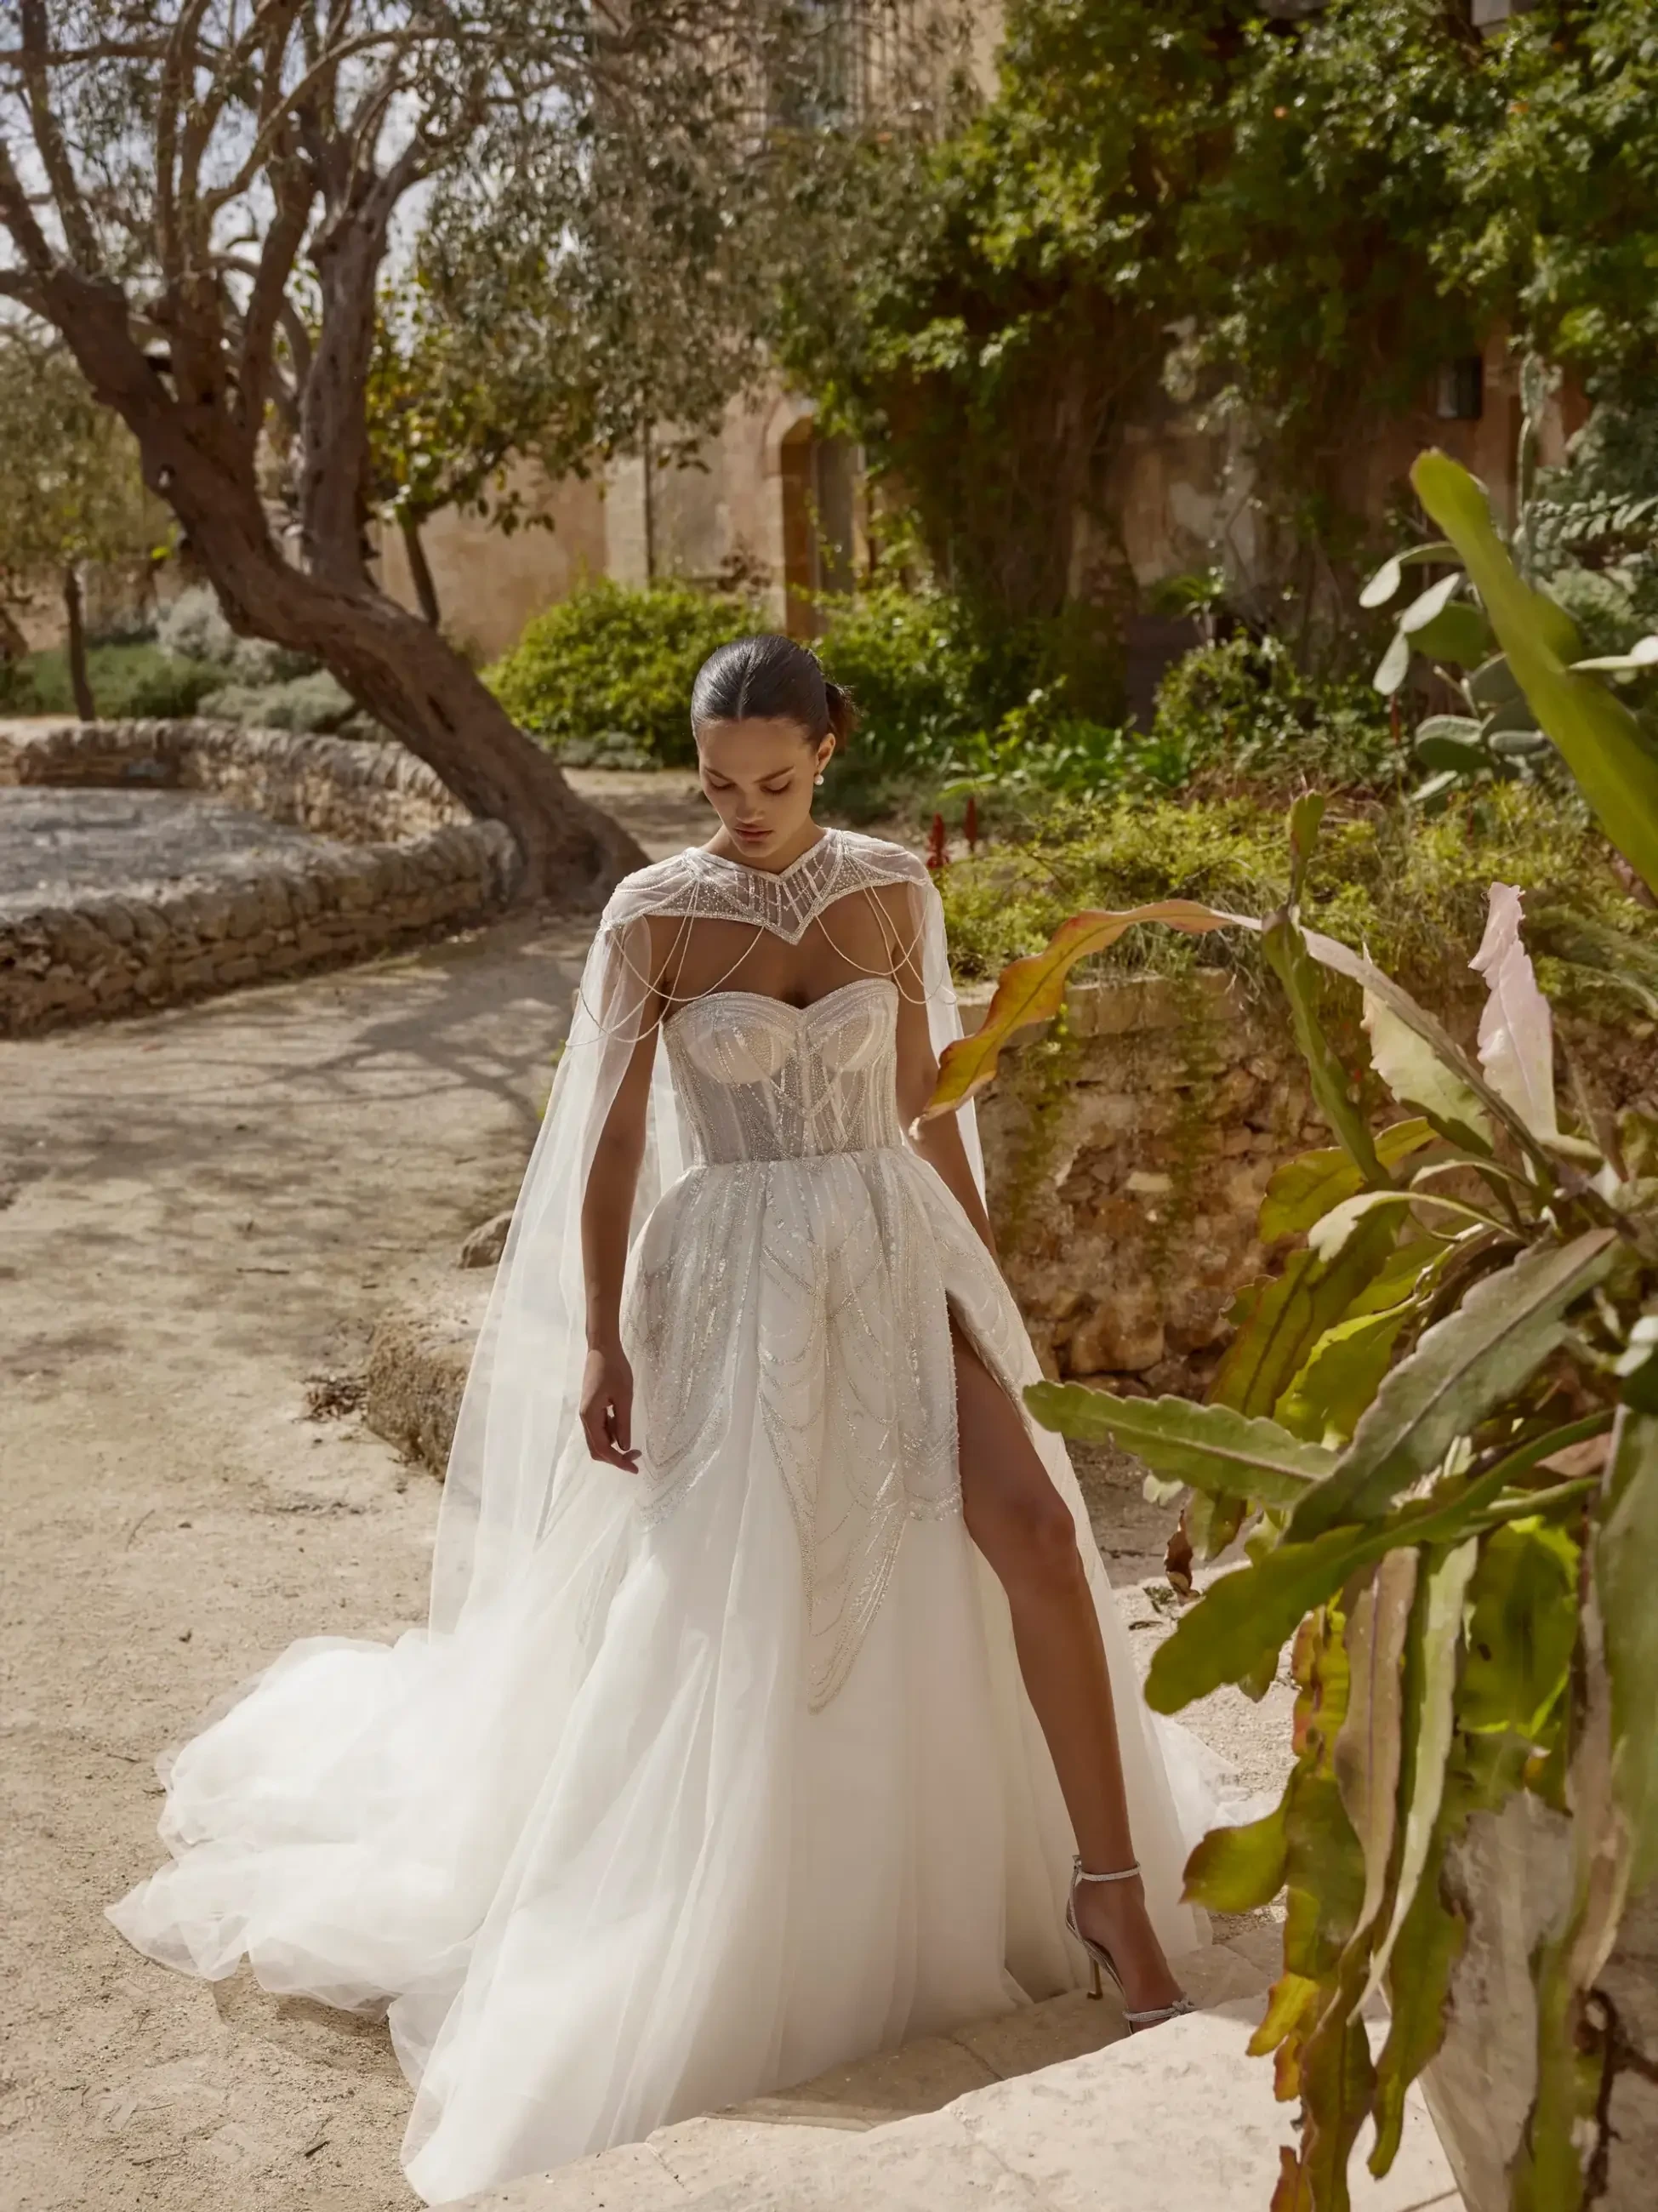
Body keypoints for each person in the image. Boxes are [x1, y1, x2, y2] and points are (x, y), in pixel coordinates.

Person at [110, 636, 1203, 2208]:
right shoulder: (655, 912)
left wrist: (985, 1294)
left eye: (773, 780)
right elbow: (610, 1140)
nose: (744, 812)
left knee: (1031, 1531)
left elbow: (931, 1102)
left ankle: (1110, 1893)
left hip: (900, 1249)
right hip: (737, 1279)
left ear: (828, 748)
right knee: (752, 1600)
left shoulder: (896, 887)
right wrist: (604, 1340)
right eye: (716, 785)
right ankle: (747, 1918)